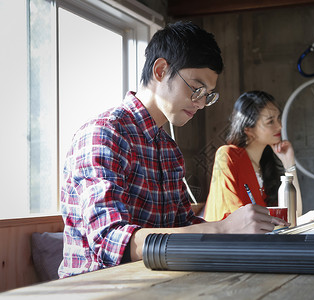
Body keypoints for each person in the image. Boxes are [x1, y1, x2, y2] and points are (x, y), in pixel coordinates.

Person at [58, 21, 288, 278]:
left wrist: (243, 229)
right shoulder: (104, 133)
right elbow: (111, 241)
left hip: (156, 284)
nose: (201, 103)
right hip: (96, 289)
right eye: (196, 88)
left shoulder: (168, 149)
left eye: (208, 95)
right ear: (160, 70)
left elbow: (182, 226)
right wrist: (223, 229)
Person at [204, 91, 303, 221]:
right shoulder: (227, 155)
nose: (280, 126)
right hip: (234, 240)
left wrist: (289, 163)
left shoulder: (266, 165)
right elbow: (233, 217)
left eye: (278, 118)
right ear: (248, 129)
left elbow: (294, 214)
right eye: (270, 121)